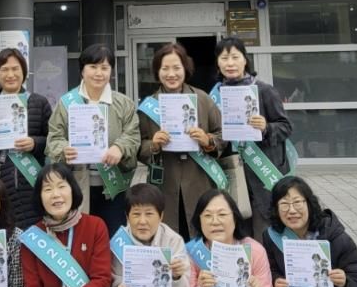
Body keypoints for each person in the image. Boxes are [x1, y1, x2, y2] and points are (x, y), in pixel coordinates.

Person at [45, 44, 140, 236]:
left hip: (114, 187)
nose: (99, 73)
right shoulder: (66, 103)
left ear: (111, 71)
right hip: (77, 184)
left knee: (113, 236)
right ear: (82, 70)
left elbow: (133, 134)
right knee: (81, 238)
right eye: (93, 67)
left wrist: (120, 147)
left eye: (104, 68)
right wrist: (63, 149)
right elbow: (54, 137)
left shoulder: (123, 103)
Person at [138, 43, 224, 239]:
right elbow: (138, 146)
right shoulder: (148, 106)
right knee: (170, 237)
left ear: (185, 68)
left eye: (176, 68)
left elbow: (222, 135)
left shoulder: (202, 99)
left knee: (201, 234)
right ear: (157, 71)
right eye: (165, 68)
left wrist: (207, 140)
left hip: (199, 181)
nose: (171, 74)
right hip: (165, 183)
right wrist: (153, 144)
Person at [212, 36, 293, 240]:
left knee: (265, 232)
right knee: (237, 230)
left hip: (261, 172)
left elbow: (285, 127)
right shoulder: (214, 96)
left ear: (245, 60)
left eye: (235, 57)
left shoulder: (264, 91)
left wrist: (266, 127)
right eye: (224, 58)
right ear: (218, 63)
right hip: (231, 172)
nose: (230, 63)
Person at [0, 48, 52, 229]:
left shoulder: (39, 102)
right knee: (0, 230)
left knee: (33, 230)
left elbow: (53, 141)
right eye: (4, 70)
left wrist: (34, 143)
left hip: (31, 181)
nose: (10, 75)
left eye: (15, 69)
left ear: (24, 72)